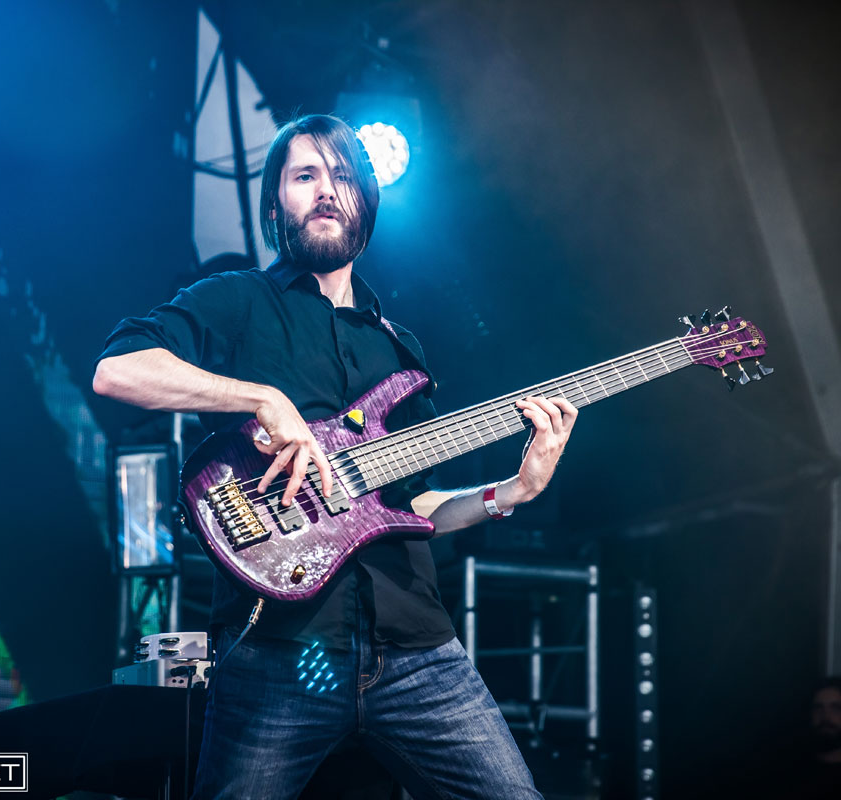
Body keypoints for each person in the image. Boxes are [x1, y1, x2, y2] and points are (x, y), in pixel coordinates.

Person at [93, 114, 575, 799]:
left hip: (418, 651)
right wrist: (261, 398)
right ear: (274, 205)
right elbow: (117, 370)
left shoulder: (401, 351)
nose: (325, 190)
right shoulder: (239, 301)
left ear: (365, 204)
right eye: (305, 176)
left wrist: (510, 493)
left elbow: (409, 508)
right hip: (277, 651)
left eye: (342, 176)